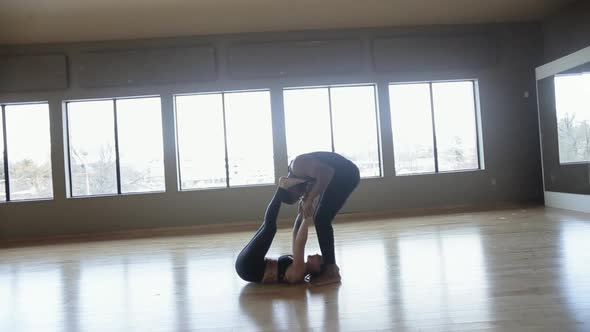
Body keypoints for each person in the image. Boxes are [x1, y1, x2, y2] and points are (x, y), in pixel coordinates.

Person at [286, 151, 360, 285]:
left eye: (299, 195)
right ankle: (331, 266)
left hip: (345, 175)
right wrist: (306, 199)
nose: (302, 194)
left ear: (291, 188)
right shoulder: (298, 172)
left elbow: (326, 173)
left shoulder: (296, 165)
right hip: (342, 175)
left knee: (321, 219)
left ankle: (331, 272)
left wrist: (309, 199)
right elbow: (320, 176)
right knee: (320, 218)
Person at [235, 177, 323, 284]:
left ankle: (282, 188)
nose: (318, 254)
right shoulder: (299, 264)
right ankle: (281, 188)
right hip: (247, 264)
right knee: (267, 226)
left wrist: (306, 218)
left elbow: (300, 243)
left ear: (317, 269)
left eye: (320, 259)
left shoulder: (299, 272)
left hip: (248, 268)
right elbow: (296, 236)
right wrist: (301, 214)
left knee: (270, 228)